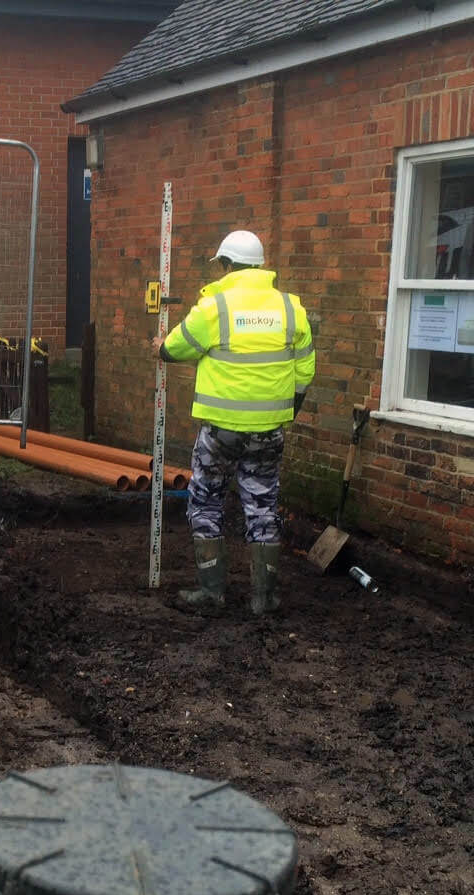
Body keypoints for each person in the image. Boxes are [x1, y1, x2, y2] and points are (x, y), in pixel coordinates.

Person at [154, 230, 314, 615]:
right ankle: (264, 598)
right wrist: (285, 411)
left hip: (220, 432)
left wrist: (158, 348)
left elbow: (175, 348)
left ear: (226, 265)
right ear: (260, 265)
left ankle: (212, 593)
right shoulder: (291, 309)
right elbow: (305, 371)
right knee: (262, 506)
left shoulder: (216, 307)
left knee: (206, 502)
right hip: (269, 431)